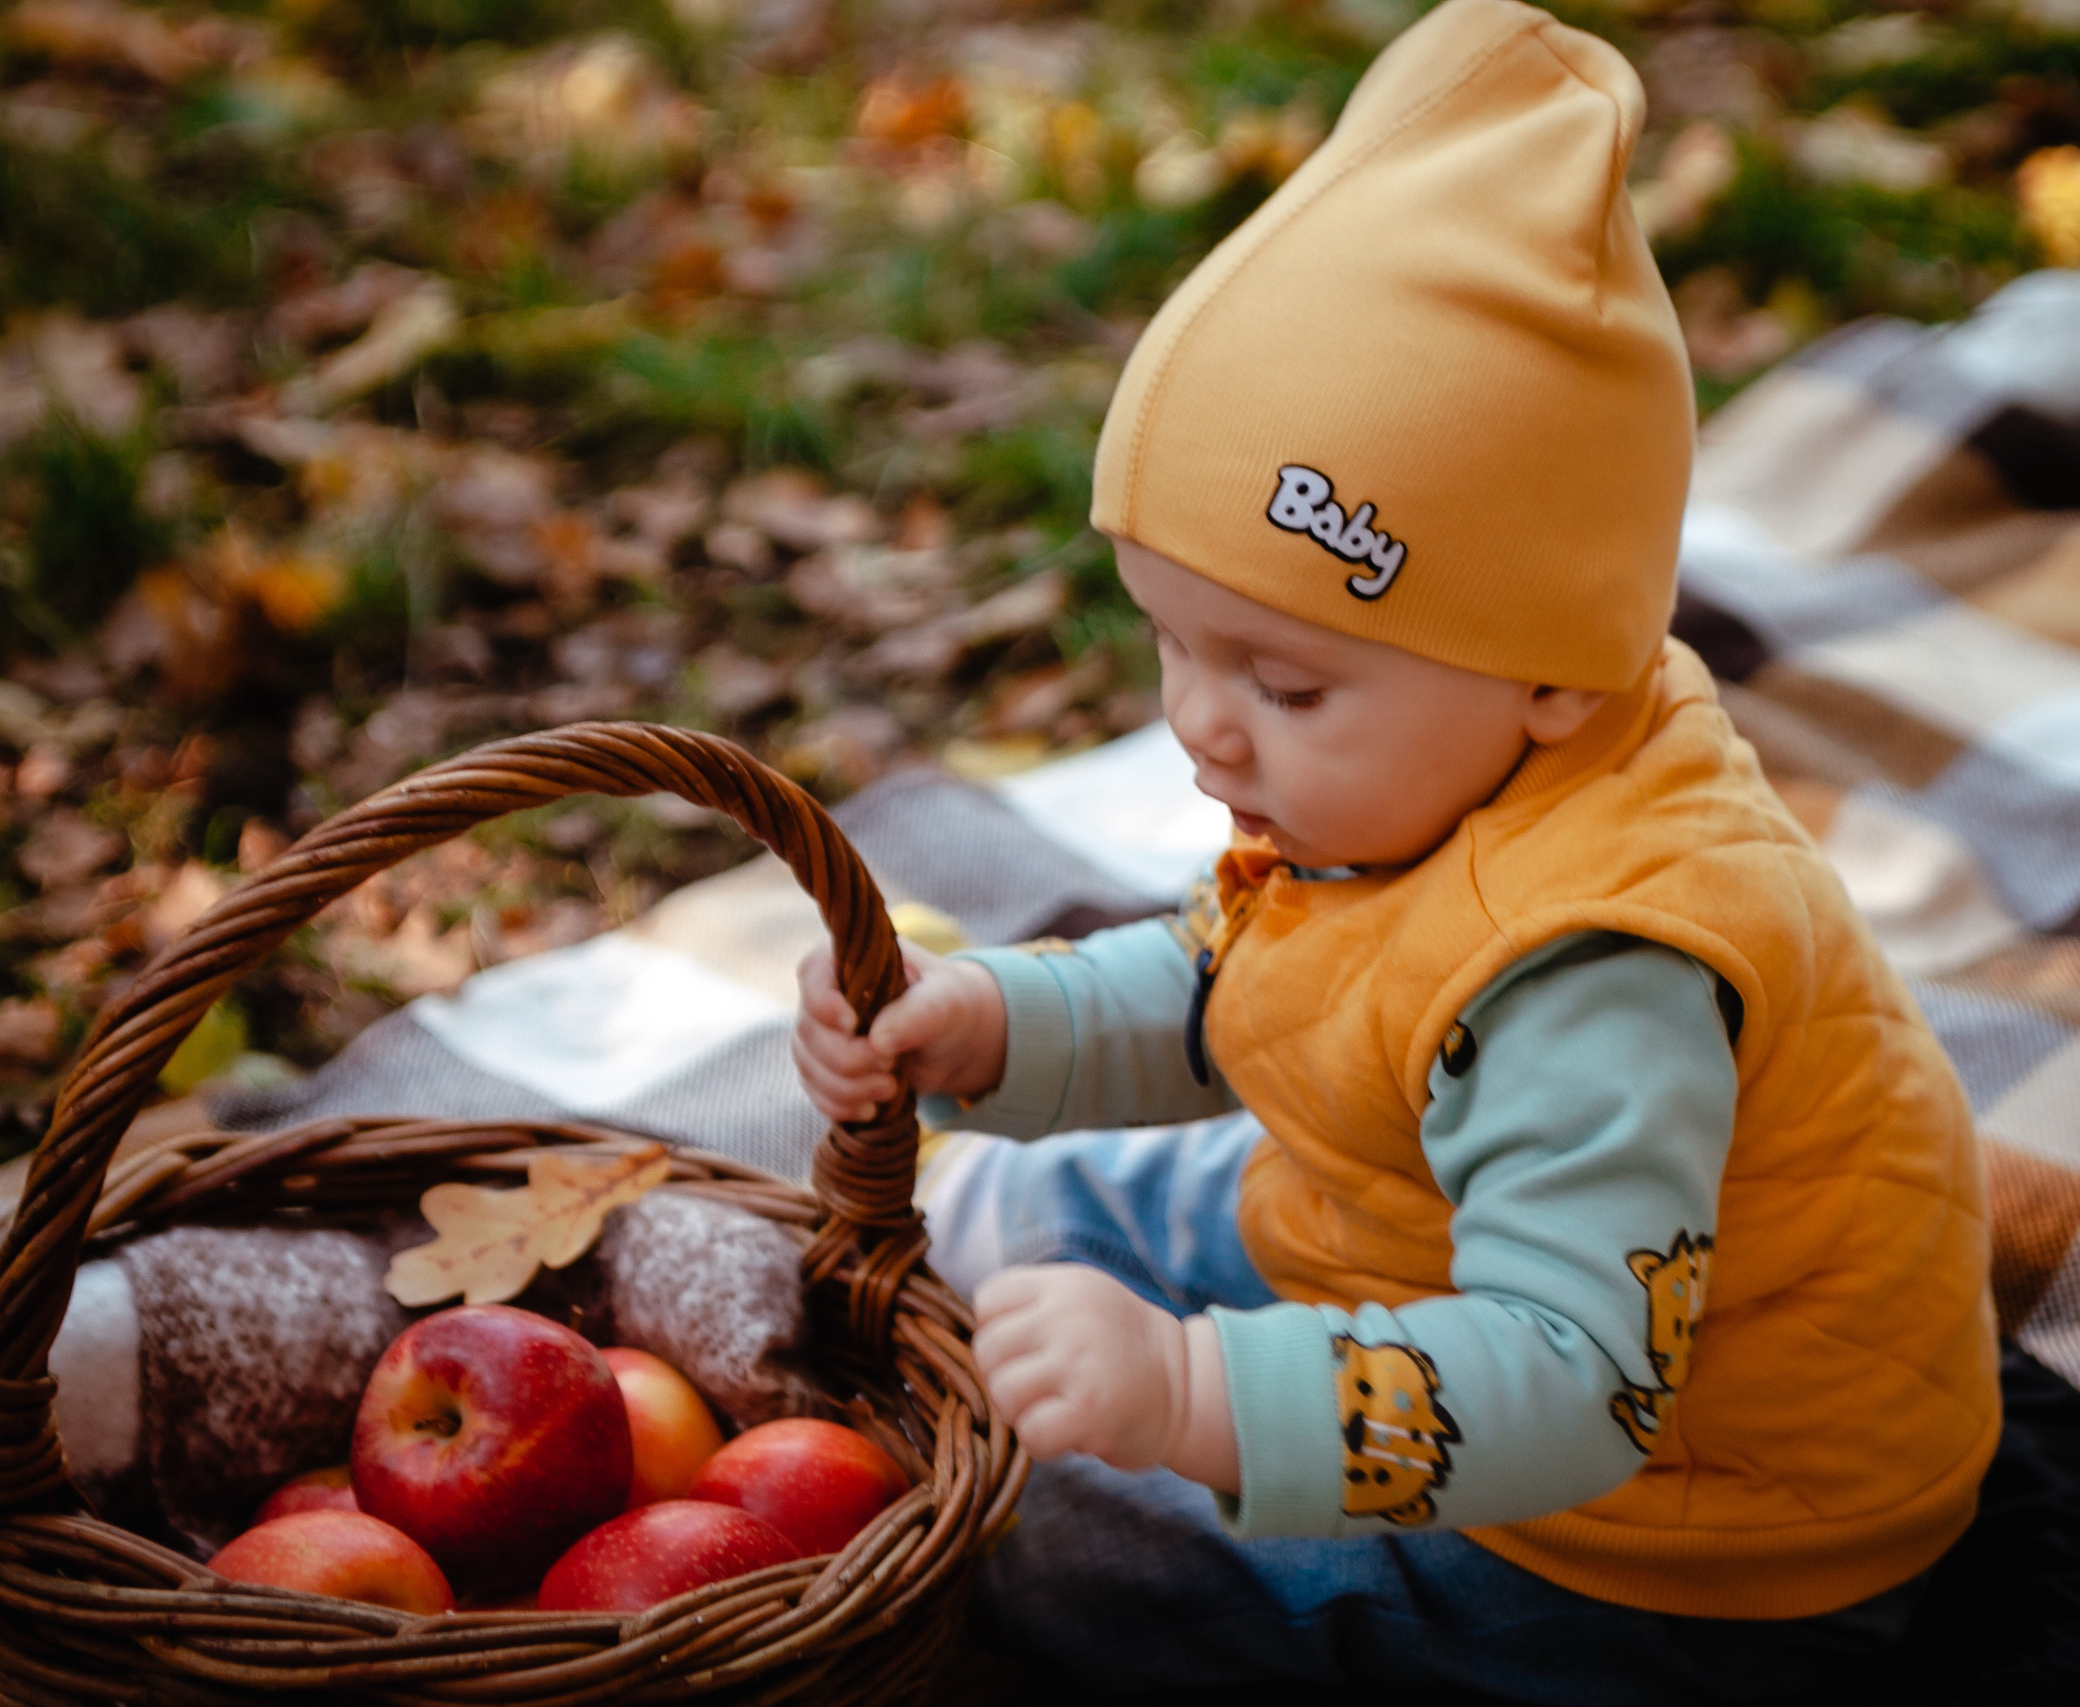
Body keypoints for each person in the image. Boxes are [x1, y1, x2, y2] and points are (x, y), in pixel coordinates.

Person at [790, 1, 1999, 1698]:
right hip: (1423, 1247)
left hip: (1668, 1543)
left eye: (1285, 680)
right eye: (1171, 640)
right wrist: (994, 1026)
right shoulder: (1424, 776)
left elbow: (1576, 1382)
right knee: (1074, 1193)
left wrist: (1191, 1401)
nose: (1202, 726)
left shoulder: (1596, 969)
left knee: (1046, 1541)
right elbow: (1250, 989)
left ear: (1557, 676)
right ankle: (986, 1332)